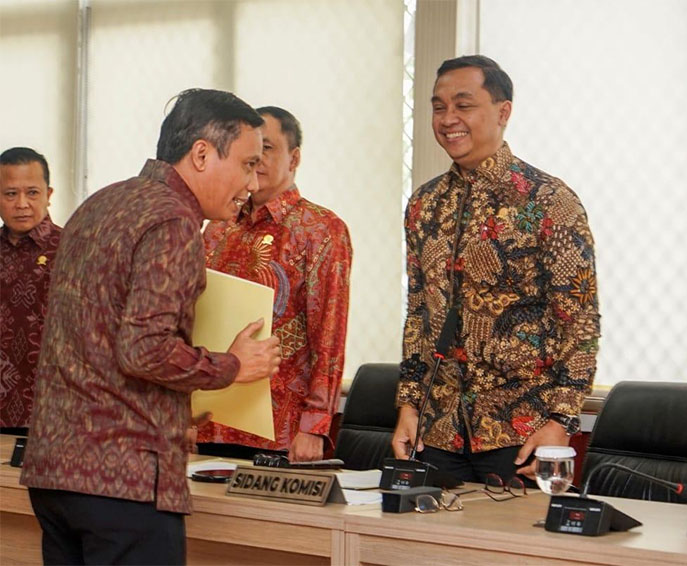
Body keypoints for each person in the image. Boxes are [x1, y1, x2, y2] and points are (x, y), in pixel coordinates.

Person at [20, 88, 282, 565]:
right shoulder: (174, 221)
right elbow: (144, 349)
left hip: (55, 474)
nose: (252, 181)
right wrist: (232, 366)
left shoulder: (101, 202)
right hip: (122, 482)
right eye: (247, 164)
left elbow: (93, 341)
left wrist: (173, 408)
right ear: (201, 154)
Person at [391, 55, 600, 483]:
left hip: (523, 433)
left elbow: (579, 322)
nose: (448, 119)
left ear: (503, 112)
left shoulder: (549, 201)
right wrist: (409, 405)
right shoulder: (425, 204)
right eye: (438, 107)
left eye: (463, 105)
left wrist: (561, 421)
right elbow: (418, 314)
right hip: (436, 431)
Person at [198, 106, 352, 462]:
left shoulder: (321, 229)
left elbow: (329, 337)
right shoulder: (219, 226)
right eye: (249, 152)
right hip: (212, 419)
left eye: (267, 148)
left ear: (294, 158)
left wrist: (314, 426)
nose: (257, 160)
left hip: (281, 428)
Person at [0, 147, 61, 435]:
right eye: (10, 194)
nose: (22, 204)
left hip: (54, 415)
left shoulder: (74, 250)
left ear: (48, 194)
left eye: (32, 193)